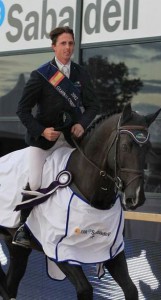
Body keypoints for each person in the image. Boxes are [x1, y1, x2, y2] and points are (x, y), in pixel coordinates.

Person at [12, 26, 99, 248]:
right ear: (54, 46)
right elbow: (22, 110)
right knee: (36, 181)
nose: (68, 47)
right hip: (43, 140)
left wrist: (82, 123)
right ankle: (23, 228)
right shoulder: (41, 75)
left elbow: (93, 106)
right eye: (63, 43)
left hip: (71, 140)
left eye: (71, 43)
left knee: (84, 178)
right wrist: (41, 130)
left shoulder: (81, 73)